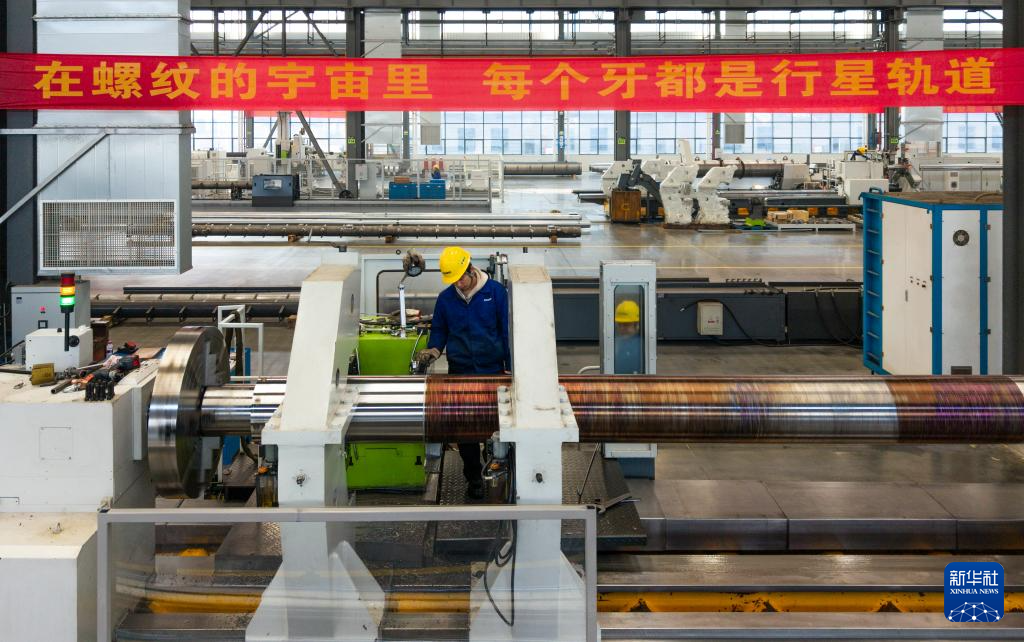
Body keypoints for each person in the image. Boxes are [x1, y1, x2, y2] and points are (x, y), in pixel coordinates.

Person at [416, 247, 510, 499]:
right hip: (461, 370)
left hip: (492, 370)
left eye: (461, 278)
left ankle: (498, 467)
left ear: (470, 270)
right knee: (465, 428)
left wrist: (510, 367)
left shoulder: (495, 293)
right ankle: (474, 478)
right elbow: (440, 331)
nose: (458, 283)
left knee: (497, 424)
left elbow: (506, 331)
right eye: (454, 280)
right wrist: (433, 350)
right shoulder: (446, 299)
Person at [613, 300, 645, 375]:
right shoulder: (617, 341)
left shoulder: (641, 347)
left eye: (626, 325)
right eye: (619, 324)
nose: (621, 328)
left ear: (637, 325)